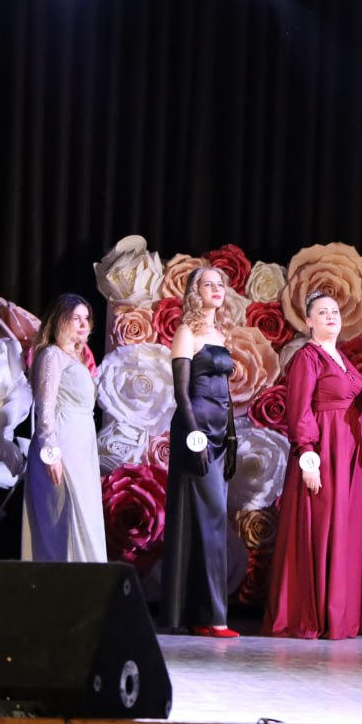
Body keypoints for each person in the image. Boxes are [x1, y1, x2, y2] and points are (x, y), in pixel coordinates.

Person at [263, 292, 362, 640]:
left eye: (334, 311)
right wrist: (309, 458)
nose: (331, 316)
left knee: (342, 529)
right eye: (322, 313)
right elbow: (299, 411)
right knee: (321, 527)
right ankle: (313, 613)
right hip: (324, 450)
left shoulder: (341, 357)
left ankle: (341, 614)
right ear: (308, 321)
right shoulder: (307, 357)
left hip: (348, 453)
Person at [161, 266, 239, 637]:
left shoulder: (220, 334)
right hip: (197, 431)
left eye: (220, 283)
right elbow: (182, 393)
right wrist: (196, 437)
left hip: (221, 434)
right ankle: (212, 617)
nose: (216, 288)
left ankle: (201, 613)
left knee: (212, 520)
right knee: (209, 521)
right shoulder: (185, 332)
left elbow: (226, 395)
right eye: (208, 284)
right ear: (195, 292)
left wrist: (232, 438)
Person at [23, 294, 107, 563]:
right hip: (62, 444)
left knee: (85, 516)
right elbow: (45, 406)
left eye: (86, 318)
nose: (83, 324)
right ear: (60, 320)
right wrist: (51, 452)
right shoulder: (51, 355)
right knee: (65, 517)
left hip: (82, 447)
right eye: (76, 318)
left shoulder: (77, 359)